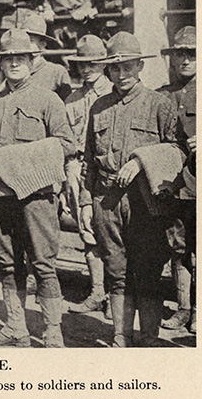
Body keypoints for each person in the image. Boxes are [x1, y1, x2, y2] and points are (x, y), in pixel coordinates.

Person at [0, 28, 75, 348]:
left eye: (21, 58)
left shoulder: (48, 99)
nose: (14, 64)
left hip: (36, 196)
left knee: (43, 264)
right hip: (1, 196)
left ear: (33, 61)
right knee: (7, 262)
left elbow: (67, 144)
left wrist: (22, 162)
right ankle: (16, 328)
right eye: (8, 60)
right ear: (1, 64)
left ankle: (52, 330)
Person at [83, 31, 183, 347]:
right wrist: (87, 202)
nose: (122, 74)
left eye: (128, 66)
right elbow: (88, 159)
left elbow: (178, 150)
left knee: (148, 271)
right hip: (107, 200)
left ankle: (150, 339)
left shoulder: (160, 104)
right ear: (107, 71)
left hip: (146, 201)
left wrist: (141, 160)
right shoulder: (98, 107)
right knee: (116, 270)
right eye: (115, 68)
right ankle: (120, 337)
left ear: (140, 66)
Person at [63, 35, 113, 316]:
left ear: (103, 63)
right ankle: (97, 292)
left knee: (111, 231)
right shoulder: (72, 99)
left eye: (93, 62)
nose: (87, 69)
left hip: (106, 170)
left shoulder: (113, 93)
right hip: (77, 168)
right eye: (82, 63)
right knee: (87, 230)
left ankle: (117, 293)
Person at [158, 26, 196, 333]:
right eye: (180, 53)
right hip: (174, 186)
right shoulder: (164, 95)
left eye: (192, 53)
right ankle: (184, 309)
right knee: (178, 247)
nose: (185, 59)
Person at [22, 15, 73, 101]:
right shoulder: (16, 69)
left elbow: (66, 105)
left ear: (42, 45)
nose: (25, 44)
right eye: (23, 40)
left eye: (31, 40)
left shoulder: (57, 72)